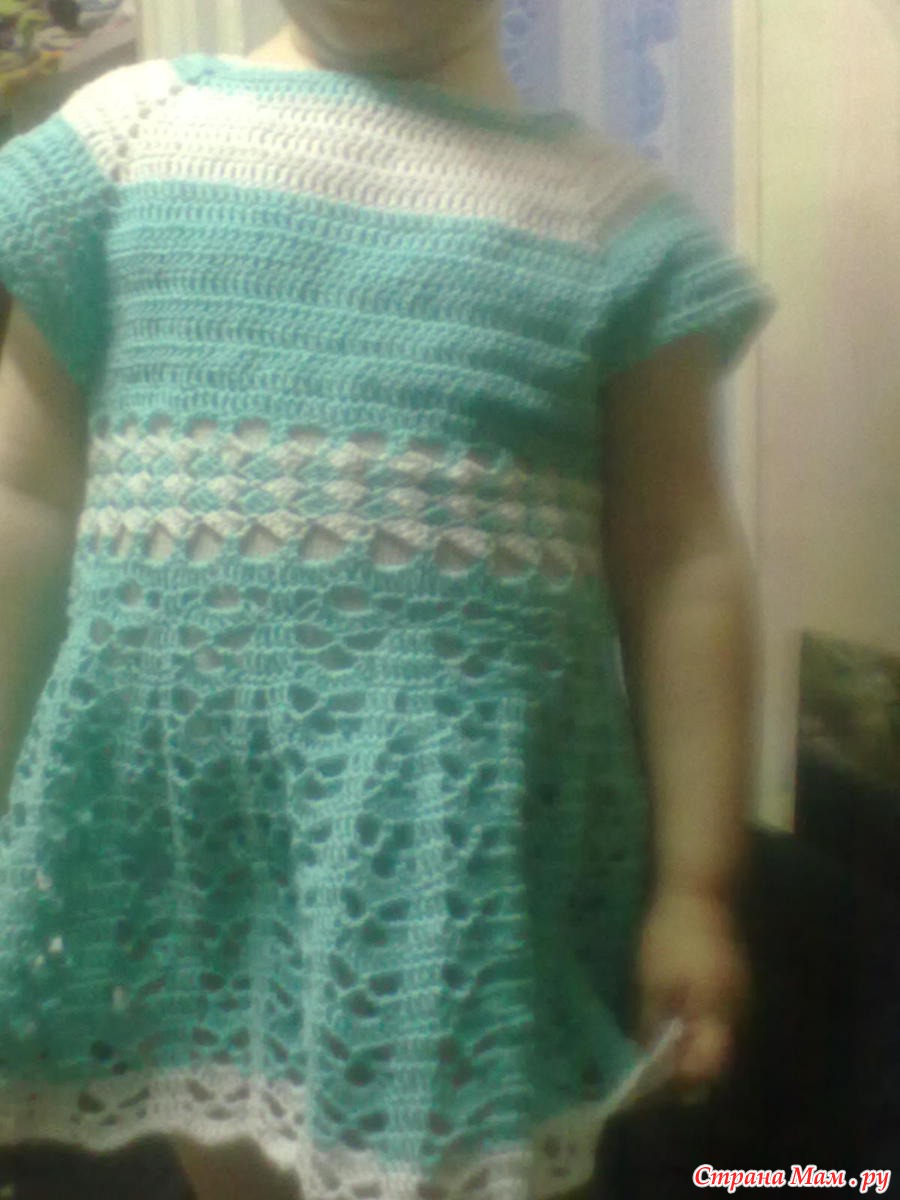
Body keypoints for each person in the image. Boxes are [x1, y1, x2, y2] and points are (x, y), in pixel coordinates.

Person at [0, 1, 773, 1197]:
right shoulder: (126, 141)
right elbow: (24, 496)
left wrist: (695, 890)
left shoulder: (615, 222)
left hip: (450, 843)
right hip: (178, 826)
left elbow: (683, 562)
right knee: (218, 1136)